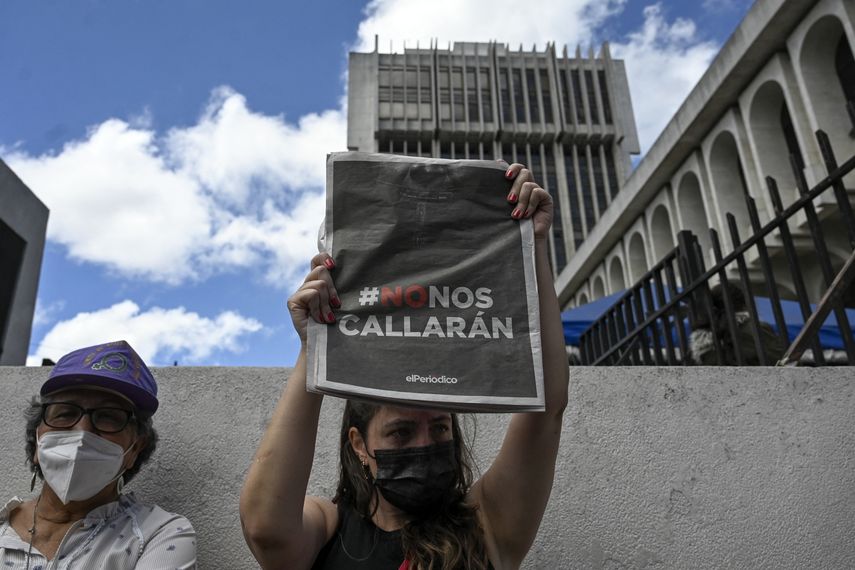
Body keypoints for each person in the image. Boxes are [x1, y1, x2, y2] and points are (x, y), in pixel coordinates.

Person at [240, 163, 569, 569]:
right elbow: (264, 529)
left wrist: (530, 246)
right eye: (400, 432)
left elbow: (546, 410)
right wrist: (315, 349)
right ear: (359, 445)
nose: (424, 444)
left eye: (440, 428)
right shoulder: (328, 527)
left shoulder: (487, 525)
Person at [0, 340, 197, 569]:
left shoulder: (159, 533)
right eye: (65, 413)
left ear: (134, 450)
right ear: (37, 443)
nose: (82, 432)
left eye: (108, 417)